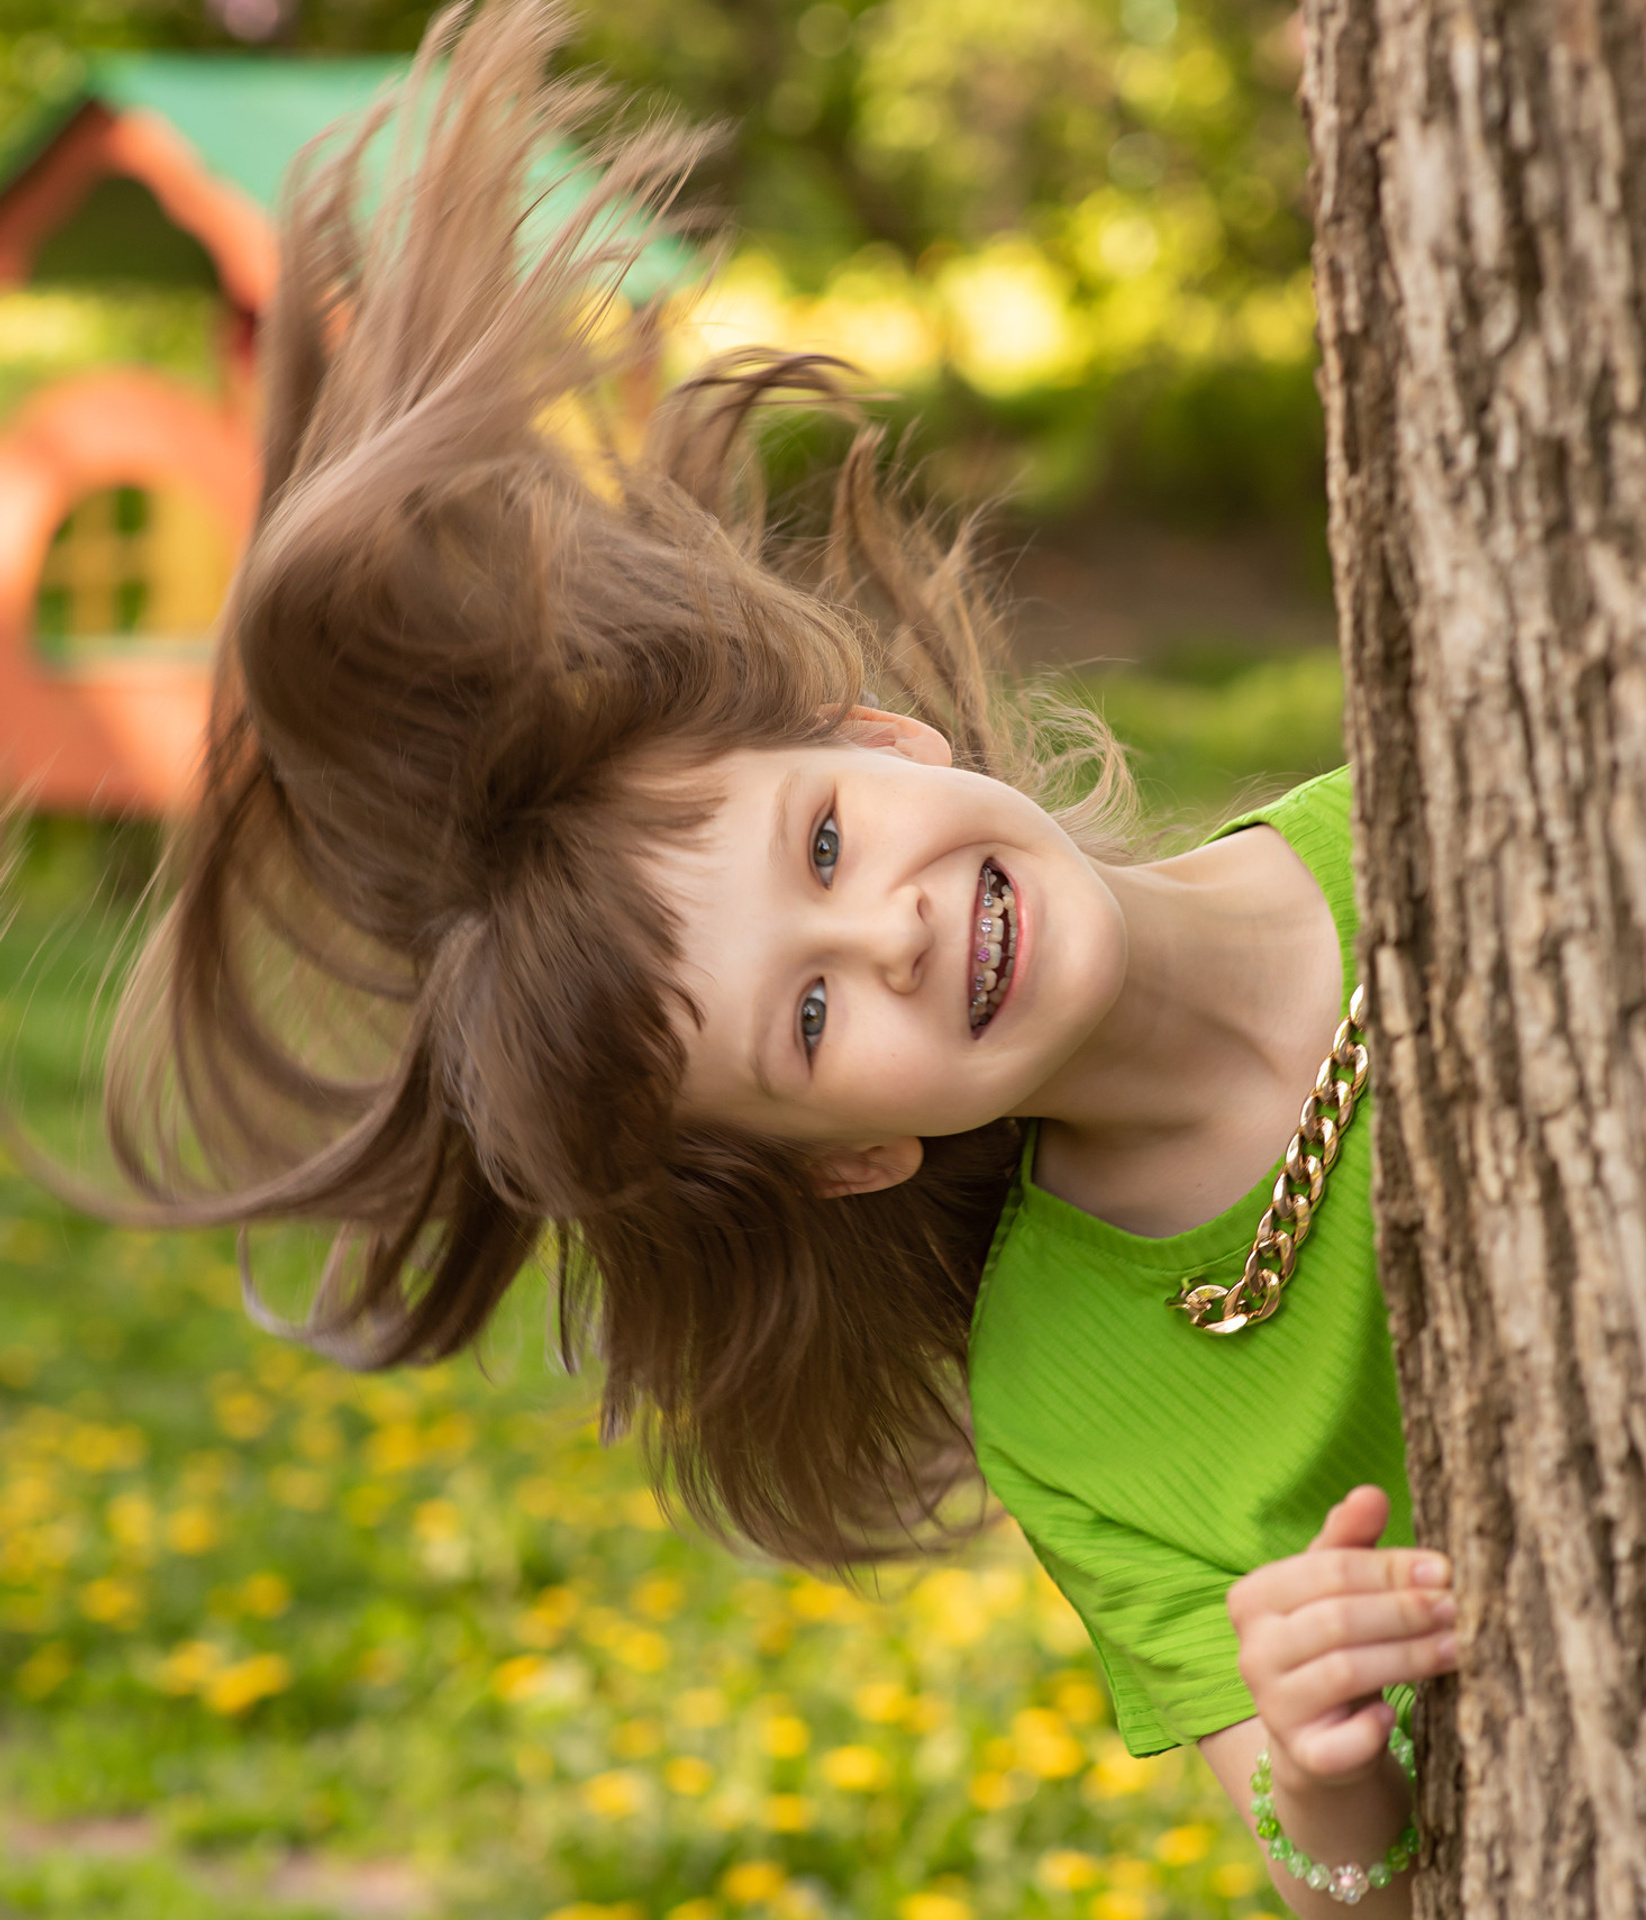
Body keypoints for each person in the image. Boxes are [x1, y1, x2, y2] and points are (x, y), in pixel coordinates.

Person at [73, 3, 1457, 1910]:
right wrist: (1322, 1776)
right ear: (847, 1156)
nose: (881, 930)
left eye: (821, 840)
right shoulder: (1075, 1395)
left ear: (884, 743)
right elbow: (1332, 1872)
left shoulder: (1417, 817)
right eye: (806, 1018)